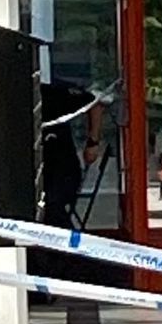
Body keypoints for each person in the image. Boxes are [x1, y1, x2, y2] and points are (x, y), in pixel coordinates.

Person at [40, 80, 105, 230]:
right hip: (42, 172)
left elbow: (95, 103)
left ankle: (68, 250)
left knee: (53, 208)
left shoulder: (53, 93)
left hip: (64, 172)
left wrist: (93, 143)